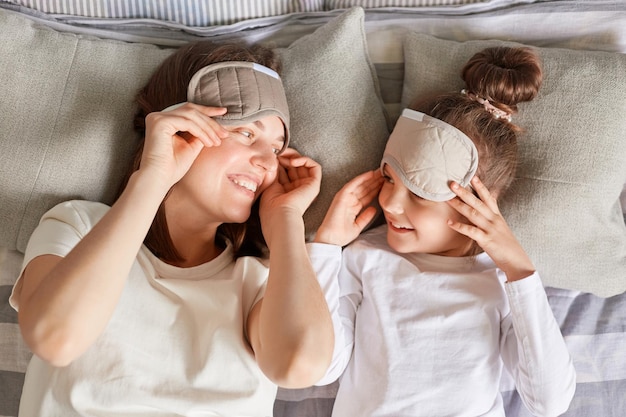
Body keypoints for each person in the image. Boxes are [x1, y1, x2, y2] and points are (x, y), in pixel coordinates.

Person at [9, 40, 334, 416]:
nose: (266, 162)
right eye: (246, 133)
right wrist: (153, 177)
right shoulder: (78, 225)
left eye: (277, 149)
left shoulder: (261, 280)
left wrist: (287, 222)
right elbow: (54, 339)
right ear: (180, 128)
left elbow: (300, 366)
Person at [310, 46, 576, 416]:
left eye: (419, 192)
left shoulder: (502, 280)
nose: (389, 203)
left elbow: (549, 401)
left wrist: (519, 271)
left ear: (483, 204)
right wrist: (324, 245)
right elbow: (320, 367)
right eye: (388, 178)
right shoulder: (363, 257)